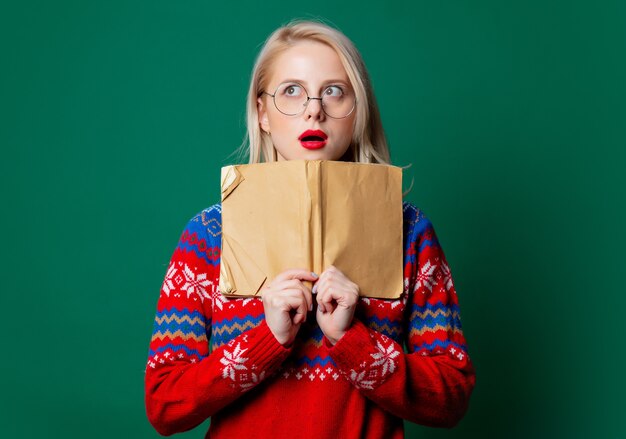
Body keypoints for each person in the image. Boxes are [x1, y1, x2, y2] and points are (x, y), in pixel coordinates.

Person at [145, 19, 475, 438]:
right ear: (262, 113)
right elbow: (165, 404)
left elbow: (451, 396)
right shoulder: (210, 233)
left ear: (358, 111)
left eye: (334, 91)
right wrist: (268, 340)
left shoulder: (408, 230)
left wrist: (353, 340)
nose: (314, 109)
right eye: (291, 91)